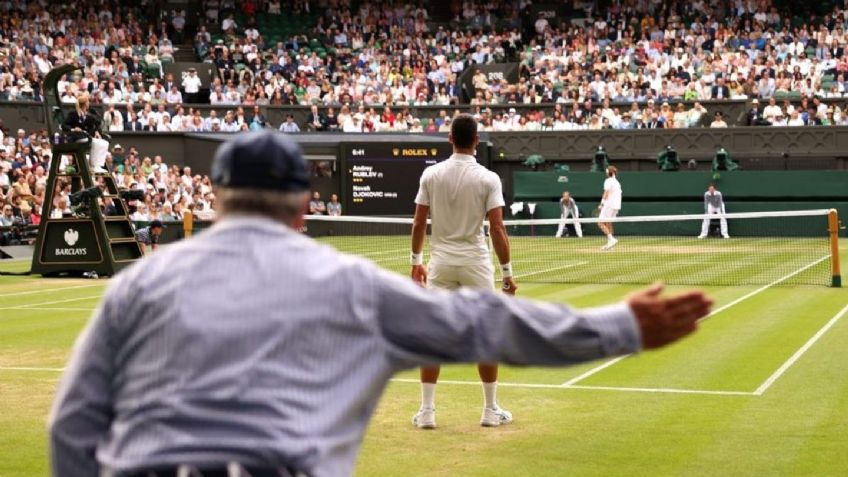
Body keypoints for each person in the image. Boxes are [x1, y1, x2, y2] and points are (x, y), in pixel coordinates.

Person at [48, 130, 712, 477]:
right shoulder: (349, 286)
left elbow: (71, 428)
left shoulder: (139, 282)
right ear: (307, 206)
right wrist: (619, 326)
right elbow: (486, 323)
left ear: (216, 199)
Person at [410, 114, 517, 429]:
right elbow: (497, 228)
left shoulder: (431, 175)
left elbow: (418, 223)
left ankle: (427, 412)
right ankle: (489, 410)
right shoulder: (488, 178)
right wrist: (507, 272)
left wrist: (416, 262)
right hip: (476, 264)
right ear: (477, 141)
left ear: (449, 139)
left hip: (440, 264)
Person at [63, 92, 109, 173]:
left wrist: (97, 131)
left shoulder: (89, 116)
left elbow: (93, 127)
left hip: (86, 137)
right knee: (95, 143)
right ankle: (93, 165)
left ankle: (98, 165)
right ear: (85, 104)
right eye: (88, 102)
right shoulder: (73, 114)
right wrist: (73, 129)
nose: (89, 104)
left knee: (104, 143)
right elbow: (64, 125)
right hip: (76, 137)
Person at [598, 165, 622, 250]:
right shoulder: (617, 182)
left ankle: (611, 239)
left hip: (609, 204)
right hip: (617, 205)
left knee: (600, 223)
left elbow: (606, 192)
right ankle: (610, 245)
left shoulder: (608, 181)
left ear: (608, 173)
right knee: (608, 223)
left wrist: (602, 204)